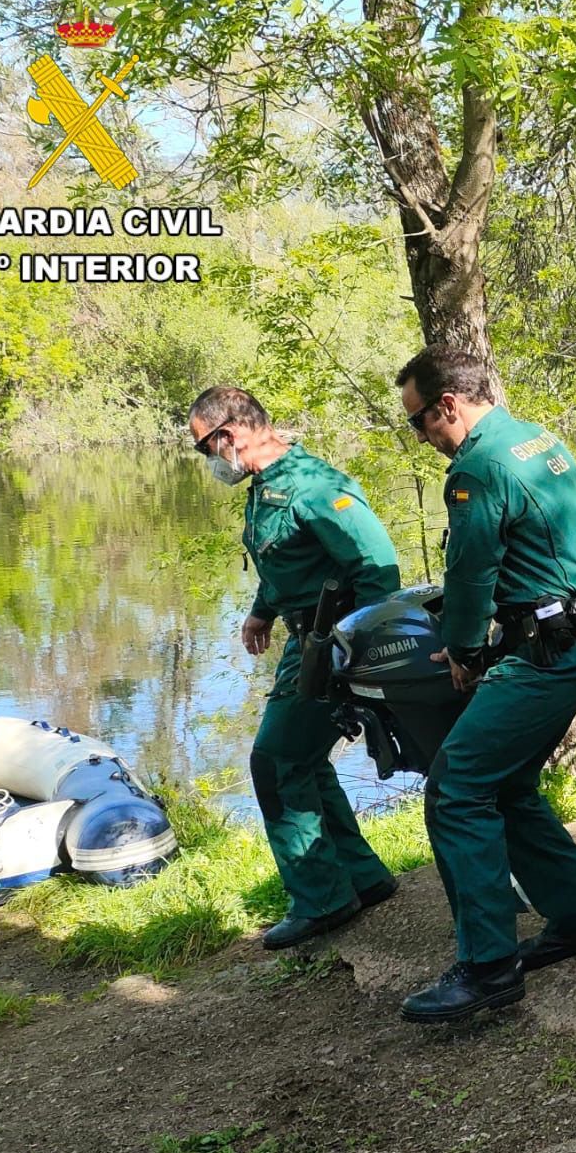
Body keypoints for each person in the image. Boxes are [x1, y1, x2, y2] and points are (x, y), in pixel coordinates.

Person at [394, 346, 576, 1023]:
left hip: (547, 654)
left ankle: (488, 967)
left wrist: (464, 649)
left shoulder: (478, 466)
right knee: (508, 784)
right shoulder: (536, 438)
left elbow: (470, 573)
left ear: (449, 406)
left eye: (419, 423)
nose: (424, 438)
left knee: (458, 787)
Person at [187, 386, 403, 949]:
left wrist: (358, 652)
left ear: (229, 436)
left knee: (276, 761)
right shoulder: (268, 488)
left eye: (204, 448)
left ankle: (322, 901)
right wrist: (262, 612)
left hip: (334, 646)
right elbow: (285, 559)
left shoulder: (314, 487)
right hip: (303, 641)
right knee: (301, 759)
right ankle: (360, 878)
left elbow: (378, 566)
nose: (209, 460)